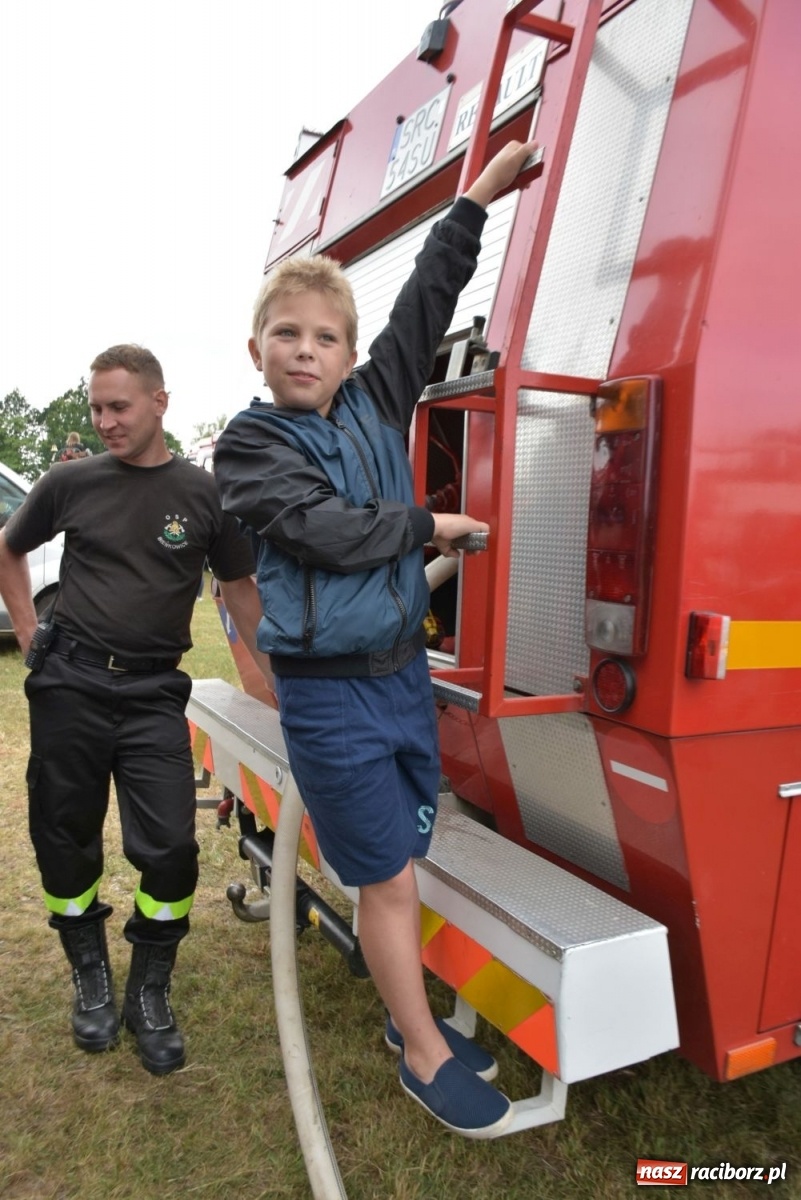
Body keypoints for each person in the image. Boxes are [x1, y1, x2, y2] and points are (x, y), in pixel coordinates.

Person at [213, 140, 537, 1138]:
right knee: (390, 880)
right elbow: (325, 532)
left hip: (401, 681)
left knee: (404, 853)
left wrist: (475, 198)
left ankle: (410, 1019)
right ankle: (422, 1051)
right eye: (284, 334)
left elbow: (425, 302)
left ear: (351, 359)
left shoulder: (374, 399)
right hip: (330, 697)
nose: (305, 349)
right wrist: (431, 525)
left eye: (324, 337)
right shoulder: (251, 445)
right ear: (256, 351)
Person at [0, 344, 269, 1076]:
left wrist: (270, 685)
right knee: (64, 836)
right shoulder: (69, 482)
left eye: (118, 406)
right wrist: (30, 635)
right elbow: (9, 548)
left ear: (160, 402)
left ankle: (149, 990)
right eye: (96, 408)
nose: (105, 421)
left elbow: (241, 592)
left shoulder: (205, 495)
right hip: (72, 685)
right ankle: (89, 975)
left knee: (172, 851)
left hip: (154, 693)